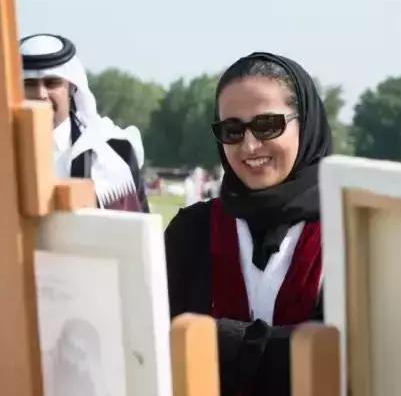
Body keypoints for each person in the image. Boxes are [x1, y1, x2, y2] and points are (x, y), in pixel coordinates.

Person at [164, 52, 332, 396]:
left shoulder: (350, 235)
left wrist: (214, 339)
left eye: (267, 125)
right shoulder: (191, 232)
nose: (250, 145)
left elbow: (345, 357)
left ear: (306, 124)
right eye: (232, 130)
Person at [20, 33, 149, 212]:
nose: (41, 94)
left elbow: (136, 226)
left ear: (72, 88)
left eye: (52, 83)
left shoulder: (115, 152)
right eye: (29, 84)